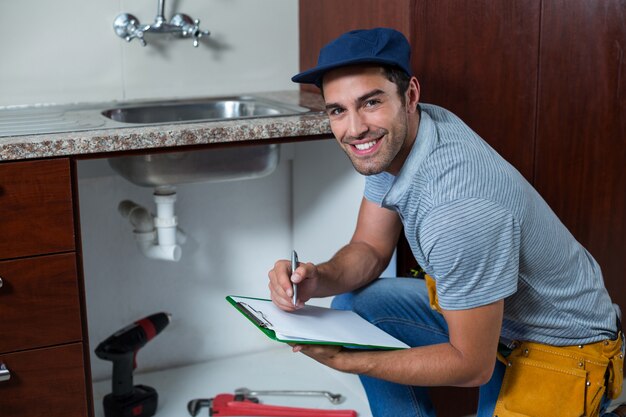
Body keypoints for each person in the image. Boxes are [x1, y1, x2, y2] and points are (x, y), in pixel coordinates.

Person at [267, 27, 625, 417]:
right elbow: (370, 249)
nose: (354, 129)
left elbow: (471, 365)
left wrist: (350, 360)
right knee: (357, 303)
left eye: (370, 102)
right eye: (338, 109)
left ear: (411, 96)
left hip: (559, 350)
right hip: (500, 325)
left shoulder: (457, 208)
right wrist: (319, 277)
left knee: (390, 345)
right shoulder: (403, 140)